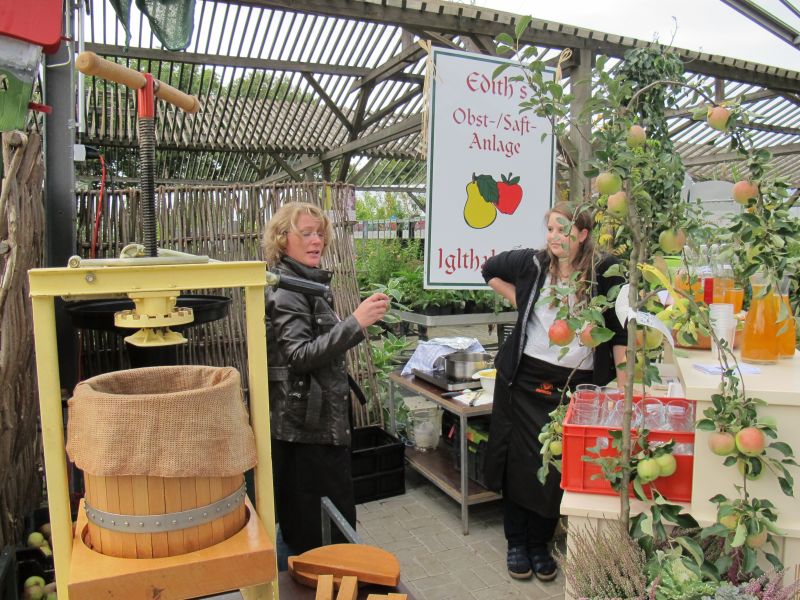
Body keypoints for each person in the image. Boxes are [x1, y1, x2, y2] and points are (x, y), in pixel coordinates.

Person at [481, 200, 627, 582]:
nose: (554, 237)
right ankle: (516, 541)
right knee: (519, 461)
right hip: (524, 378)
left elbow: (619, 331)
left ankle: (540, 543)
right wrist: (520, 300)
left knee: (558, 462)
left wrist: (625, 384)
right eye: (550, 229)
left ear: (583, 234)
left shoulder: (604, 271)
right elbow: (489, 270)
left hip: (574, 382)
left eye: (563, 230)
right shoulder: (532, 263)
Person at [263, 201, 390, 557]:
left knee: (319, 522)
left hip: (315, 422)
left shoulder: (304, 282)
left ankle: (322, 571)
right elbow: (299, 356)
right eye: (306, 233)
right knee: (314, 530)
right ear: (283, 239)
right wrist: (355, 323)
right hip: (306, 429)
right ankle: (320, 576)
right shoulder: (287, 290)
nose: (316, 240)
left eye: (319, 233)